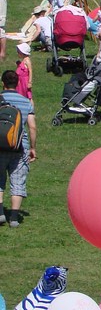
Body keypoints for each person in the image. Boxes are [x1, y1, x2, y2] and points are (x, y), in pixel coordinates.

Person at [0, 69, 37, 228]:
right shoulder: (26, 102)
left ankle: (1, 213)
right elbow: (32, 127)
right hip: (20, 147)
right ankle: (14, 218)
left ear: (2, 83)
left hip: (0, 146)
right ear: (17, 84)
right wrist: (33, 148)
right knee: (18, 181)